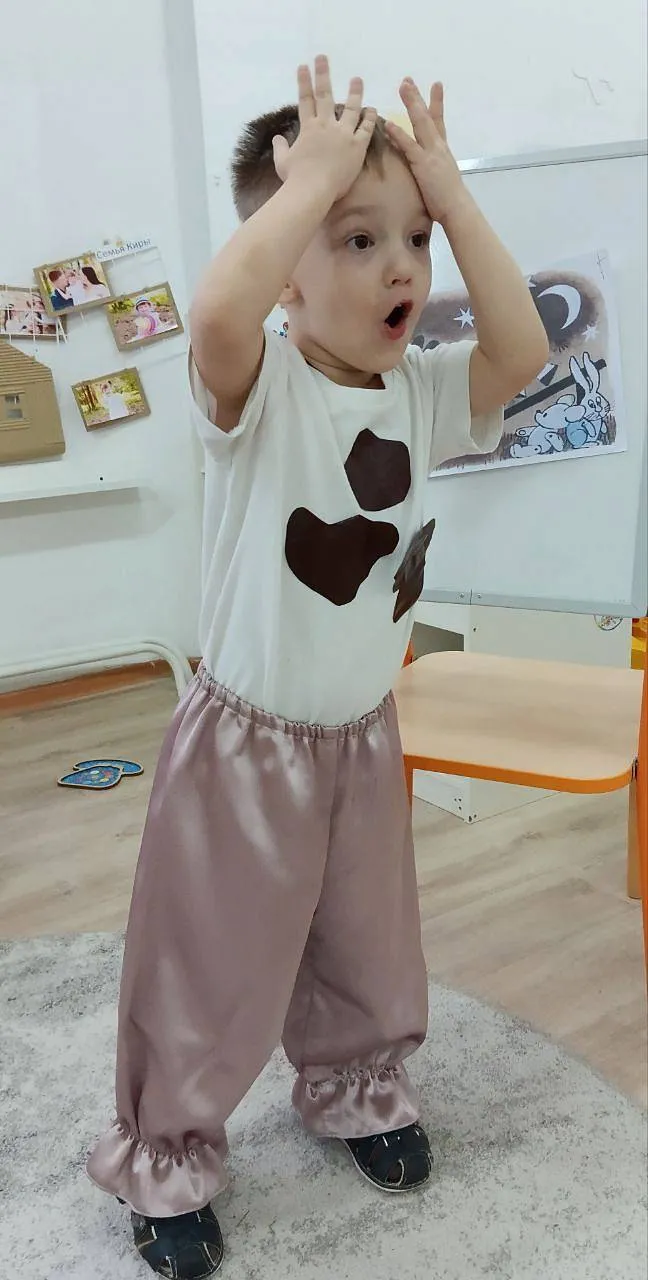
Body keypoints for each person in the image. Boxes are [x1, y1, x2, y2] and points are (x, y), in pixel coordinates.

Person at [86, 56, 548, 1278]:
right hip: (244, 744)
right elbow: (216, 316)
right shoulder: (258, 386)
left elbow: (521, 345)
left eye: (414, 240)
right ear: (287, 268)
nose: (403, 268)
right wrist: (305, 190)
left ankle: (356, 1084)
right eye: (357, 238)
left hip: (360, 731)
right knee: (210, 959)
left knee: (365, 941)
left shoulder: (424, 391)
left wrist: (452, 193)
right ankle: (170, 1152)